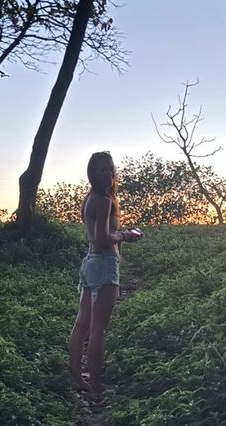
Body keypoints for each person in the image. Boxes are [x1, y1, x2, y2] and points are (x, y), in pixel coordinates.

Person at [69, 151, 142, 399]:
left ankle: (77, 378)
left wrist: (118, 234)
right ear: (92, 173)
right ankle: (97, 386)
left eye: (110, 168)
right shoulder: (103, 200)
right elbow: (102, 239)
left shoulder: (90, 198)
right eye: (102, 169)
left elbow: (95, 236)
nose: (108, 173)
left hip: (90, 261)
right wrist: (125, 235)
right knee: (98, 328)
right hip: (103, 262)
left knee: (82, 323)